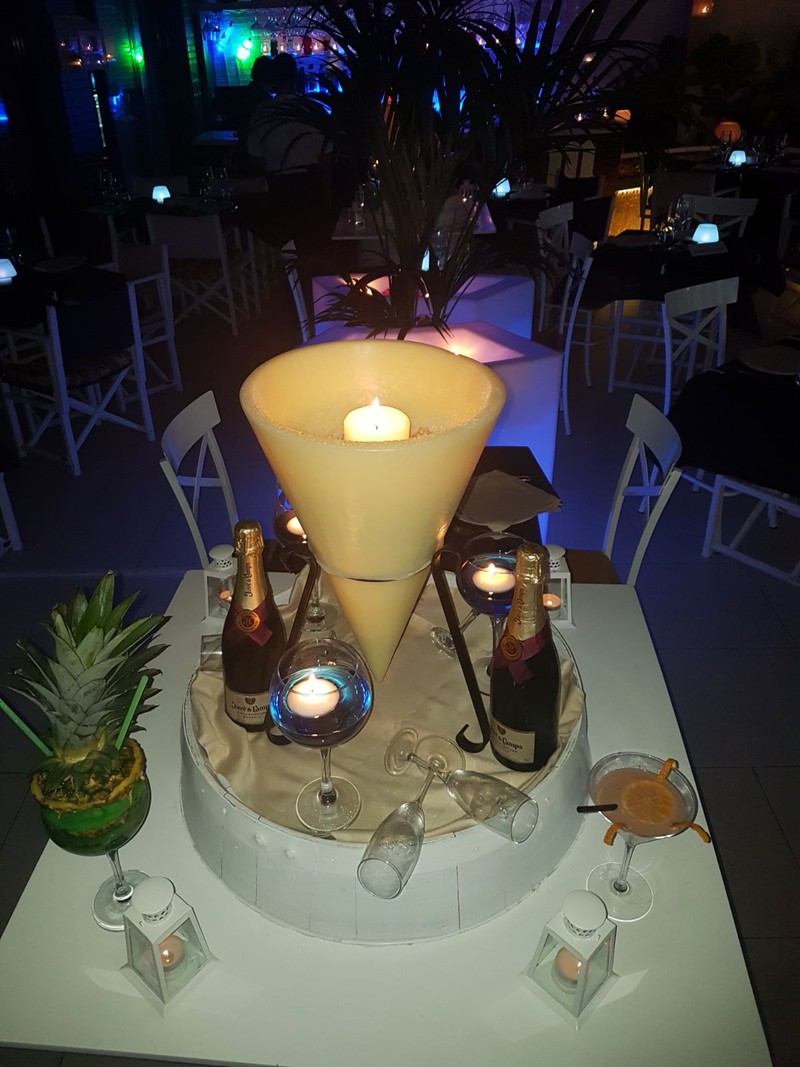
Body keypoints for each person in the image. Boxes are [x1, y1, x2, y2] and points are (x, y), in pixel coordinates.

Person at [246, 53, 334, 255]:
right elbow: (326, 160)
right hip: (311, 187)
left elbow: (255, 160)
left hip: (279, 192)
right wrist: (327, 198)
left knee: (286, 252)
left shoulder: (263, 113)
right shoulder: (314, 109)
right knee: (314, 250)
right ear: (296, 78)